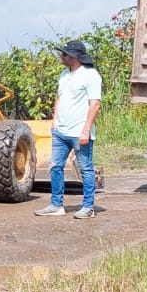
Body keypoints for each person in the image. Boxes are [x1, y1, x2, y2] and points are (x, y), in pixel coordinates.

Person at [36, 40, 102, 219]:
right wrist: (54, 121)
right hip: (61, 132)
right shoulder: (64, 74)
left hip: (79, 132)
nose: (62, 56)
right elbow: (60, 98)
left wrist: (86, 130)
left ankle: (88, 207)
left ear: (75, 56)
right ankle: (56, 205)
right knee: (55, 166)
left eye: (65, 54)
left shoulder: (90, 75)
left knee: (85, 168)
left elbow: (95, 104)